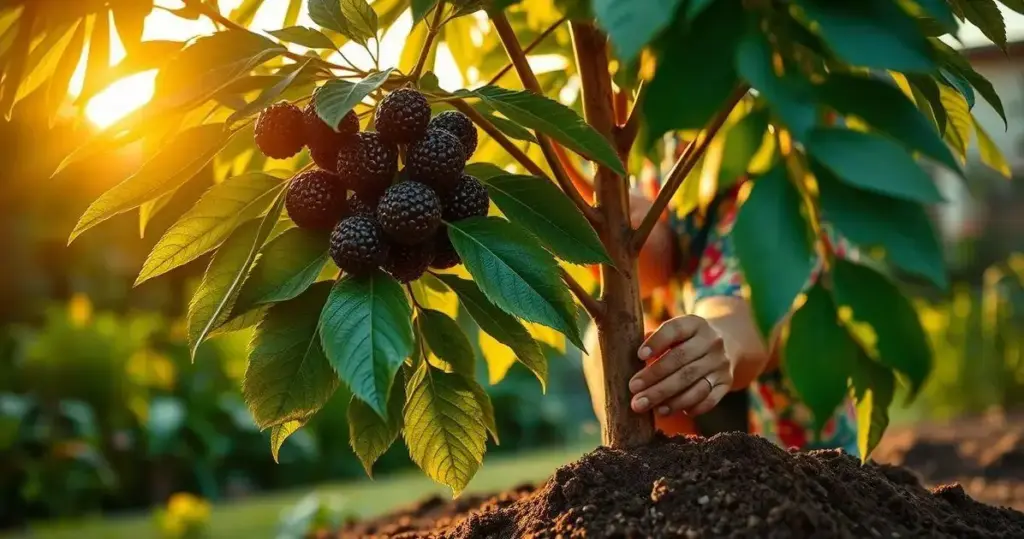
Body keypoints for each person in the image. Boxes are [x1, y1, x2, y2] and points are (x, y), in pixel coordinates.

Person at [581, 135, 859, 455]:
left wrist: (720, 341)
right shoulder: (652, 154)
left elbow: (749, 312)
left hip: (808, 459)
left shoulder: (767, 170)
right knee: (606, 347)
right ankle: (672, 472)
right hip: (709, 444)